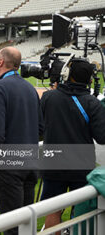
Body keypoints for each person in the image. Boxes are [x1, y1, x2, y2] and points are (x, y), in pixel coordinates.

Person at [40, 59, 105, 234]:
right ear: (89, 80)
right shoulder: (93, 103)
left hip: (53, 164)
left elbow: (40, 126)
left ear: (67, 75)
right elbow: (102, 137)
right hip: (81, 165)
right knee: (80, 211)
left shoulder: (48, 97)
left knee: (53, 209)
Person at [0, 47, 43, 235]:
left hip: (9, 167)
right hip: (31, 164)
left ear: (1, 62)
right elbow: (41, 128)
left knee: (11, 226)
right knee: (26, 224)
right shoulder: (30, 88)